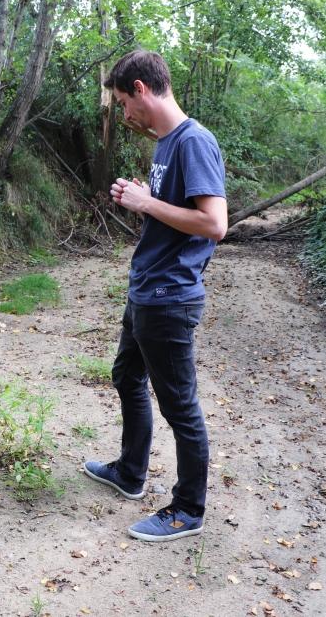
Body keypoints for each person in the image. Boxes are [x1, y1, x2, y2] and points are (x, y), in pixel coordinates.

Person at [83, 50, 228, 542]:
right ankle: (131, 472)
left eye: (124, 102)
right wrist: (146, 198)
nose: (123, 114)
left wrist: (147, 202)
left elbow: (214, 224)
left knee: (179, 404)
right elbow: (176, 212)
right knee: (126, 374)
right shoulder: (166, 144)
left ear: (142, 89)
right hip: (147, 288)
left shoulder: (194, 142)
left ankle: (189, 508)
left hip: (170, 296)